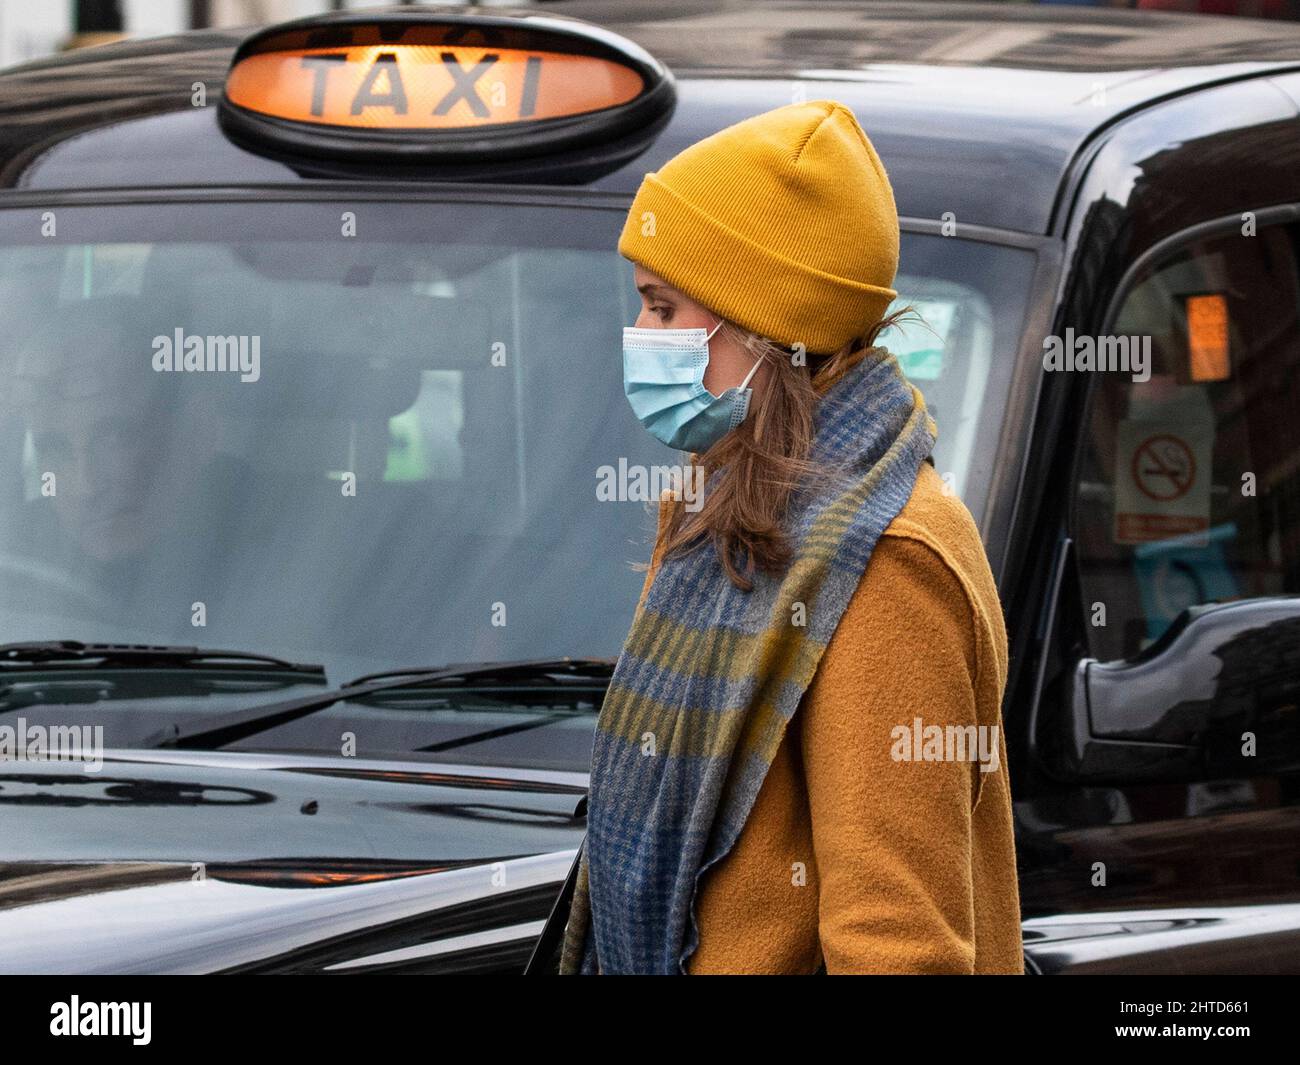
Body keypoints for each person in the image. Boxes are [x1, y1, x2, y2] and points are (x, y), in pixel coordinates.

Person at [558, 100, 1023, 974]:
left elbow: (900, 946)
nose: (640, 337)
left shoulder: (888, 557)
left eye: (663, 308)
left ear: (769, 327)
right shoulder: (725, 510)